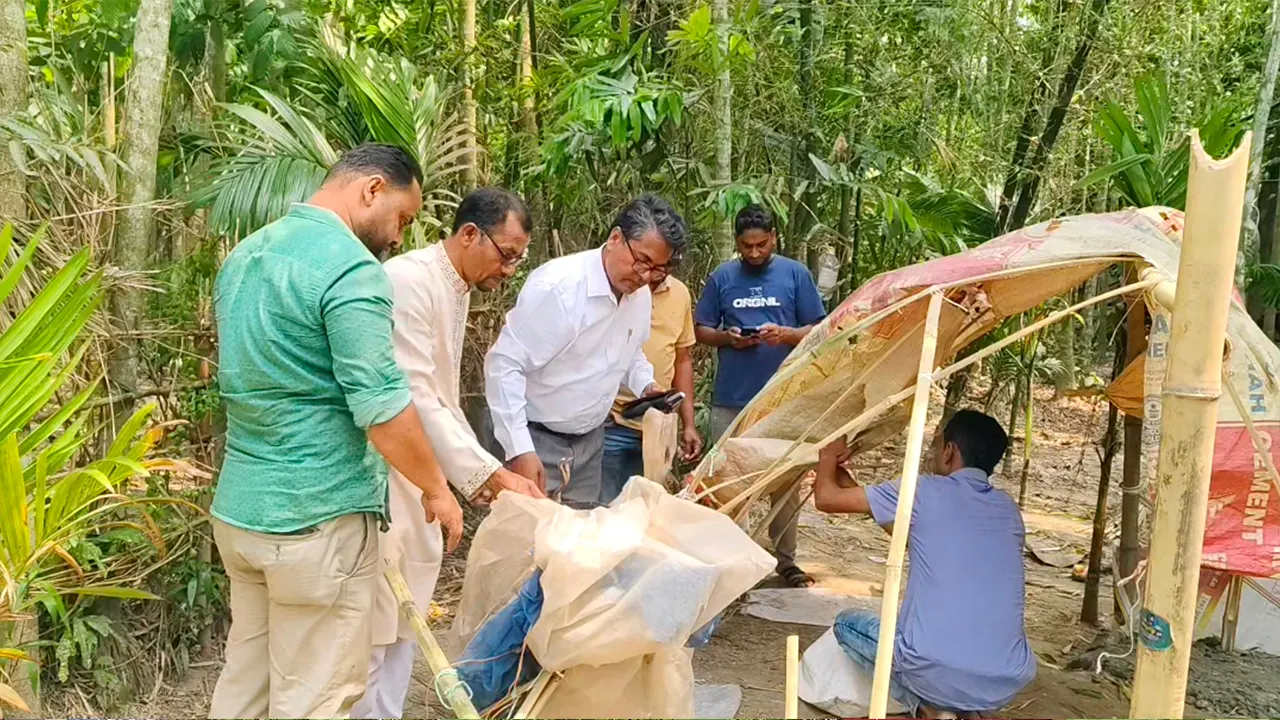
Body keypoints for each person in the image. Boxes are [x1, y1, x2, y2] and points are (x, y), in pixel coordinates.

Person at [209, 143, 464, 719]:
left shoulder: (246, 255)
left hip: (241, 516)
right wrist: (436, 488)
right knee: (316, 699)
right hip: (316, 523)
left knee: (244, 689)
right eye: (403, 217)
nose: (400, 237)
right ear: (371, 189)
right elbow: (383, 409)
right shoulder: (351, 270)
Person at [354, 188, 546, 719]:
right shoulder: (410, 280)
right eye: (506, 254)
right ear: (468, 235)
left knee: (404, 620)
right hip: (388, 470)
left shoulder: (453, 285)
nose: (509, 269)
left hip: (420, 474)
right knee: (377, 619)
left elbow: (441, 397)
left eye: (517, 259)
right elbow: (412, 393)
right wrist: (487, 474)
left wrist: (481, 476)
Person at [812, 410, 1036, 717]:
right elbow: (902, 531)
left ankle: (927, 708)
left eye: (937, 442)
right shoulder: (1007, 509)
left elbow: (826, 498)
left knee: (846, 623)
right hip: (1006, 677)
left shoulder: (923, 490)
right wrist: (840, 471)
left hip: (932, 667)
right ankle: (966, 710)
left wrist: (825, 458)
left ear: (950, 451)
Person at [485, 194, 687, 506]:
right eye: (643, 261)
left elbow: (631, 352)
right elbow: (504, 365)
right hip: (535, 437)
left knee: (579, 546)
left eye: (658, 269)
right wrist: (518, 449)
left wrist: (645, 385)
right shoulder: (559, 289)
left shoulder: (638, 295)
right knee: (524, 544)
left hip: (590, 444)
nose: (646, 276)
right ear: (616, 238)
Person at [694, 202, 826, 587]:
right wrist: (728, 338)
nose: (754, 253)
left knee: (786, 478)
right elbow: (701, 330)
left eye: (761, 245)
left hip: (784, 396)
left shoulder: (795, 275)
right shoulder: (722, 277)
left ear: (773, 238)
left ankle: (786, 559)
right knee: (729, 477)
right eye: (746, 246)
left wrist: (785, 335)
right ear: (737, 243)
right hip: (732, 397)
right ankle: (736, 558)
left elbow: (819, 330)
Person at [599, 255, 702, 503]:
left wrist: (688, 424)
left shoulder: (679, 294)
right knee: (603, 510)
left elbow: (682, 359)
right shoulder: (617, 287)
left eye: (666, 265)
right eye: (650, 264)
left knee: (643, 509)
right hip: (610, 420)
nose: (655, 273)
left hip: (655, 424)